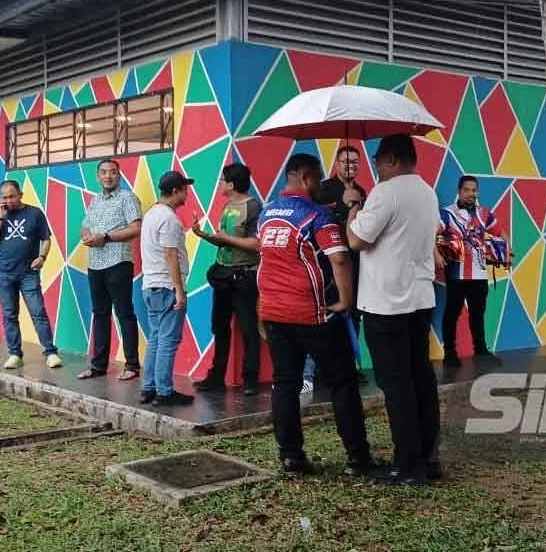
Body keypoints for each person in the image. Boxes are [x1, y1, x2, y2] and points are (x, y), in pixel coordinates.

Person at [257, 153, 378, 478]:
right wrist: (346, 302)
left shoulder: (266, 214)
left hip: (274, 312)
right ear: (308, 178)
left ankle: (291, 458)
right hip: (315, 313)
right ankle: (358, 457)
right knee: (342, 382)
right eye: (317, 178)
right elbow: (340, 259)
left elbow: (265, 256)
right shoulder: (317, 216)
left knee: (285, 383)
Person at [347, 134, 443, 486]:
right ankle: (428, 458)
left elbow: (358, 239)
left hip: (386, 303)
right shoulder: (427, 192)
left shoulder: (386, 192)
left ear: (390, 159)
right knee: (421, 379)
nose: (375, 167)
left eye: (377, 161)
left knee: (396, 384)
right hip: (419, 300)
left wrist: (351, 209)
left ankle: (408, 465)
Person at [191, 163, 262, 396]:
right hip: (223, 275)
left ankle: (250, 378)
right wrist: (204, 235)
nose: (220, 183)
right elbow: (225, 240)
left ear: (232, 184)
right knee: (219, 327)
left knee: (249, 328)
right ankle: (216, 377)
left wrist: (228, 239)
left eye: (222, 180)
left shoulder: (253, 207)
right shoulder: (228, 206)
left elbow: (257, 244)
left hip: (244, 276)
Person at [77, 159, 143, 381]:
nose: (108, 176)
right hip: (95, 263)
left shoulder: (128, 198)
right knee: (100, 314)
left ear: (119, 175)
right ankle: (98, 366)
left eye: (113, 173)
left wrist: (105, 237)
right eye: (104, 173)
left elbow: (136, 228)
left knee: (124, 313)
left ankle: (132, 365)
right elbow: (85, 224)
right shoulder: (95, 200)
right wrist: (86, 235)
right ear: (98, 177)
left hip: (118, 263)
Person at [0, 180, 61, 370]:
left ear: (21, 194)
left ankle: (50, 353)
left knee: (38, 313)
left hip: (28, 273)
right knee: (9, 315)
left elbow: (46, 239)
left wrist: (42, 257)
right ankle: (15, 354)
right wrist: (1, 217)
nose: (8, 200)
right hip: (4, 273)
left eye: (12, 196)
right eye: (4, 197)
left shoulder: (35, 214)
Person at [313, 145, 370, 387]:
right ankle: (324, 371)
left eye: (356, 162)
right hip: (329, 264)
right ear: (336, 163)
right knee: (330, 316)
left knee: (353, 316)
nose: (351, 166)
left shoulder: (362, 192)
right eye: (346, 161)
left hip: (356, 264)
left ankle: (350, 366)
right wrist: (345, 209)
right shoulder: (324, 190)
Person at [139, 170, 195, 406]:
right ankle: (164, 390)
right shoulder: (170, 219)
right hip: (166, 286)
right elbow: (170, 254)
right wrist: (179, 290)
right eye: (184, 189)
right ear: (174, 191)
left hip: (151, 285)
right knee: (168, 340)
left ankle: (148, 387)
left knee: (155, 338)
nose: (186, 193)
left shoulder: (152, 214)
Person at [437, 175, 503, 366]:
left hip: (479, 274)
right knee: (452, 313)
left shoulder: (483, 214)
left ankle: (481, 350)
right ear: (459, 191)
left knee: (478, 313)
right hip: (457, 275)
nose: (471, 193)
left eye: (474, 190)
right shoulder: (447, 213)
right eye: (467, 190)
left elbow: (501, 232)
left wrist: (505, 250)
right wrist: (436, 255)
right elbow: (431, 232)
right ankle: (449, 353)